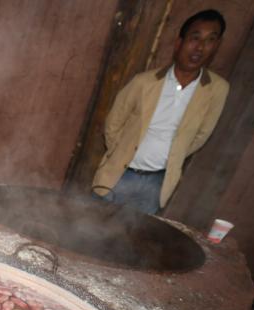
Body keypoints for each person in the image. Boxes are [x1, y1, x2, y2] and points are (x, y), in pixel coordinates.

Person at [92, 9, 230, 215]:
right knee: (90, 227)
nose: (200, 47)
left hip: (156, 184)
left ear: (216, 46)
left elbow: (201, 136)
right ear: (179, 43)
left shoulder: (217, 89)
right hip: (119, 174)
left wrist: (173, 156)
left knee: (128, 240)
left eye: (210, 40)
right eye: (195, 38)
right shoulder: (144, 82)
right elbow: (113, 123)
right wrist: (120, 154)